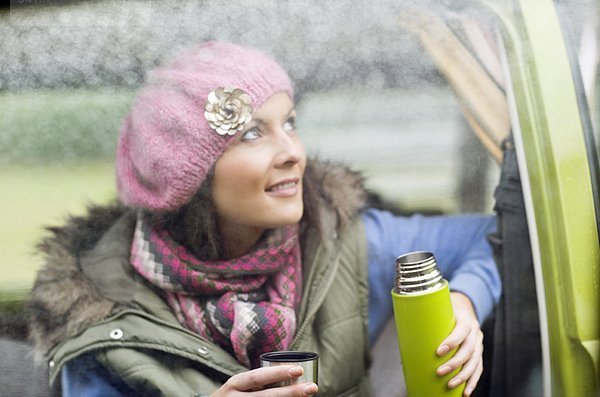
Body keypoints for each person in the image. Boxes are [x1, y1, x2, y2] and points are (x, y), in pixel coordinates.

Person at [28, 41, 501, 397]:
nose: (293, 153)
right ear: (187, 178)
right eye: (253, 134)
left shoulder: (344, 243)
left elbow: (499, 234)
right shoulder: (105, 324)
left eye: (289, 123)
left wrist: (464, 301)